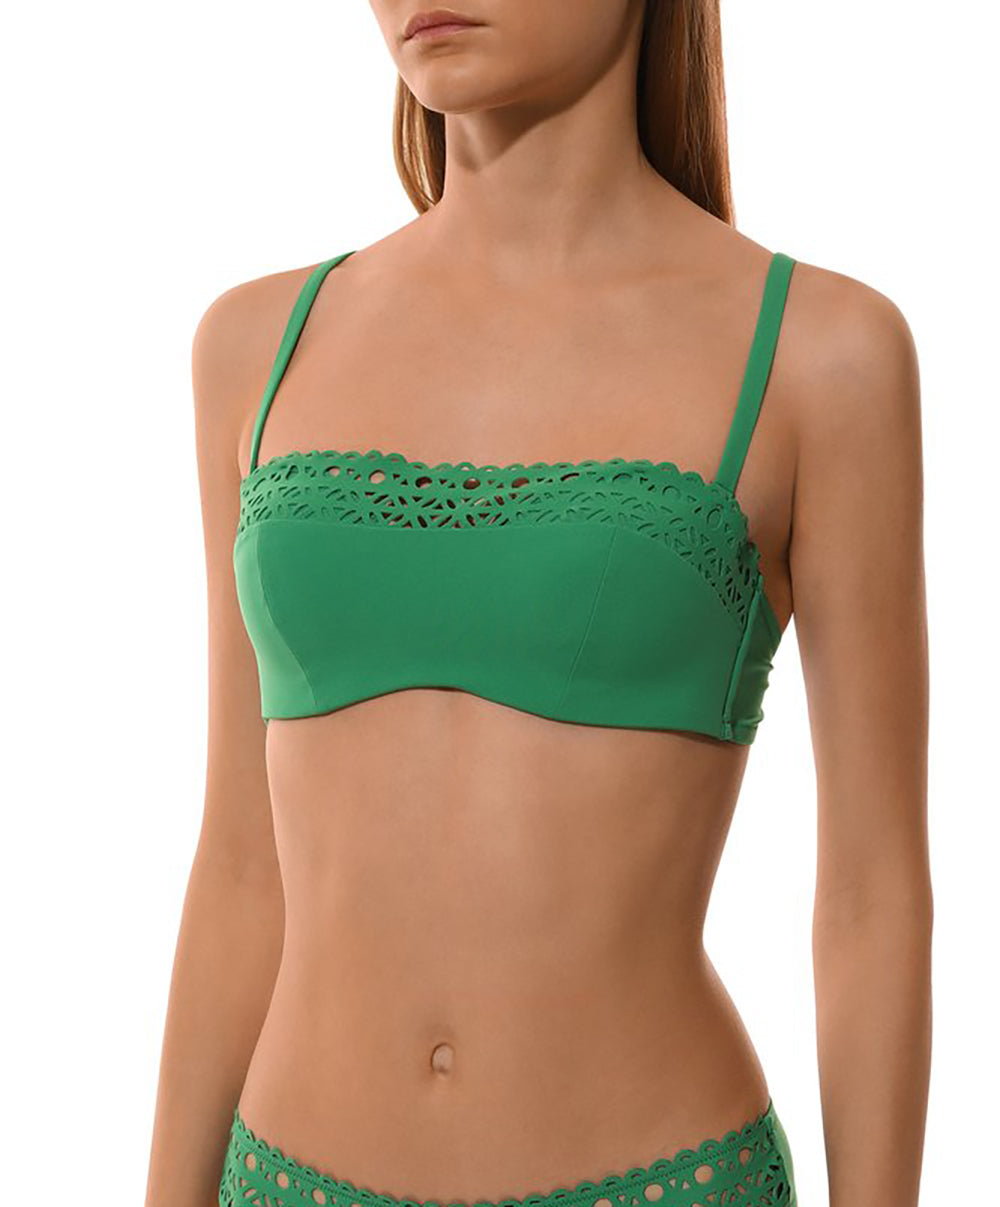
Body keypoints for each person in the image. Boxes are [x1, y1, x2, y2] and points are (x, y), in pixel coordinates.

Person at [145, 3, 933, 1206]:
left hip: (660, 1180)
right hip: (285, 1178)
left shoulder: (820, 354)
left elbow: (870, 894)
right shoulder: (255, 347)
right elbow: (241, 864)